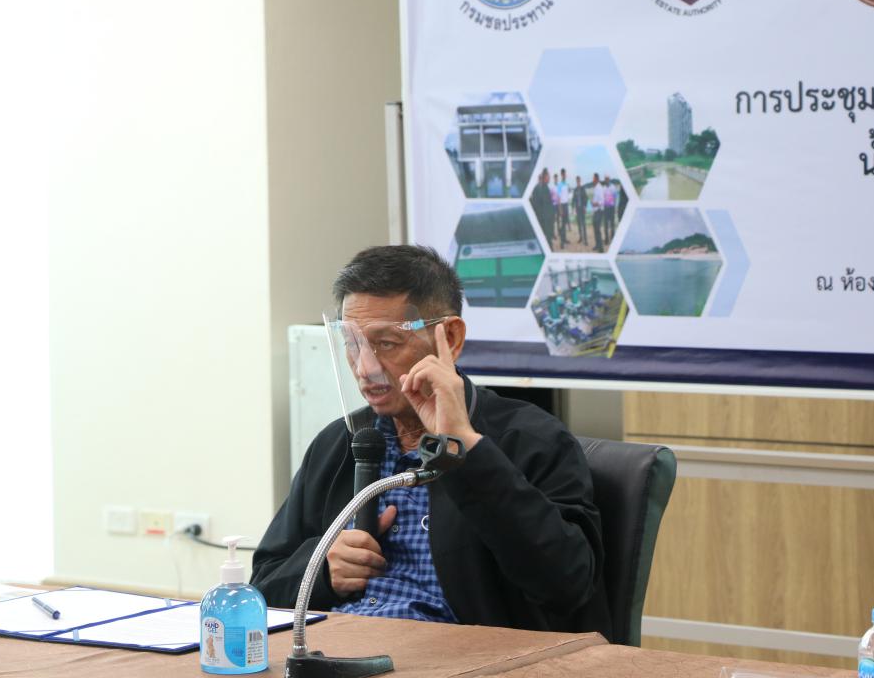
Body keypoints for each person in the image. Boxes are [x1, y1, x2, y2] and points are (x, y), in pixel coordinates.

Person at [251, 246, 610, 637]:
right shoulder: (341, 444)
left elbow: (568, 586)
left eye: (387, 343)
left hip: (461, 659)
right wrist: (322, 568)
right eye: (352, 344)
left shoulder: (532, 440)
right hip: (341, 647)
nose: (365, 368)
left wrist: (466, 450)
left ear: (450, 338)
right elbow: (262, 585)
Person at [530, 168, 556, 248]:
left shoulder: (544, 187)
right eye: (548, 176)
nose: (550, 178)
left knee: (546, 238)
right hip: (545, 219)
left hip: (544, 218)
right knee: (547, 239)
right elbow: (543, 205)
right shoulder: (542, 188)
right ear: (545, 177)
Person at [590, 174, 605, 252]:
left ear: (596, 179)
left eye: (593, 179)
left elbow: (602, 201)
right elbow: (596, 199)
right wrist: (592, 202)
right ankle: (597, 245)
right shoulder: (596, 188)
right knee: (595, 229)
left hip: (599, 211)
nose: (592, 180)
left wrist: (594, 203)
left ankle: (601, 248)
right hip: (595, 211)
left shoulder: (599, 188)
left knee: (598, 230)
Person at [556, 168, 571, 248]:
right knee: (562, 224)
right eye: (564, 174)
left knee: (564, 224)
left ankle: (565, 239)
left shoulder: (566, 184)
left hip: (566, 205)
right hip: (562, 206)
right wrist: (560, 209)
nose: (565, 175)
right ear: (561, 175)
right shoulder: (559, 185)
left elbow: (567, 194)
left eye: (565, 174)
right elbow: (558, 198)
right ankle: (561, 243)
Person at [572, 175, 588, 246]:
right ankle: (581, 238)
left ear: (580, 181)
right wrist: (573, 207)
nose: (578, 181)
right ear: (576, 181)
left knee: (583, 224)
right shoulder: (575, 190)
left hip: (582, 209)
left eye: (578, 180)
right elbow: (573, 199)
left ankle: (586, 240)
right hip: (577, 209)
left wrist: (585, 206)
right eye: (577, 180)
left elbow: (586, 198)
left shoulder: (582, 188)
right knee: (579, 224)